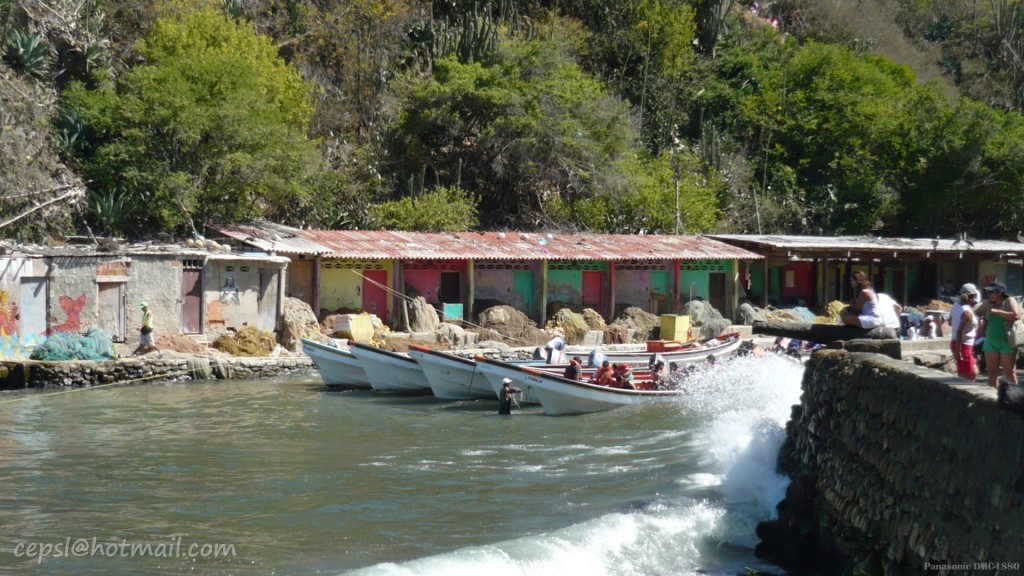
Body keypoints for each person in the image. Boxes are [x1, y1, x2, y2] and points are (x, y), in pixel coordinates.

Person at [974, 281, 1020, 388]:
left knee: (1009, 373)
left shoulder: (1009, 301)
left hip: (1007, 342)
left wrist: (997, 311)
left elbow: (1016, 316)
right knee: (992, 373)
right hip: (990, 341)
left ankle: (1015, 397)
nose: (988, 295)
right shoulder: (987, 303)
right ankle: (993, 398)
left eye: (991, 292)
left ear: (999, 293)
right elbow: (976, 313)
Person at [951, 283, 980, 381]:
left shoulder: (955, 305)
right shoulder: (967, 312)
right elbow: (960, 332)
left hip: (957, 343)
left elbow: (950, 322)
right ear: (972, 297)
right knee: (969, 375)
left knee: (973, 372)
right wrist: (958, 351)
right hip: (963, 345)